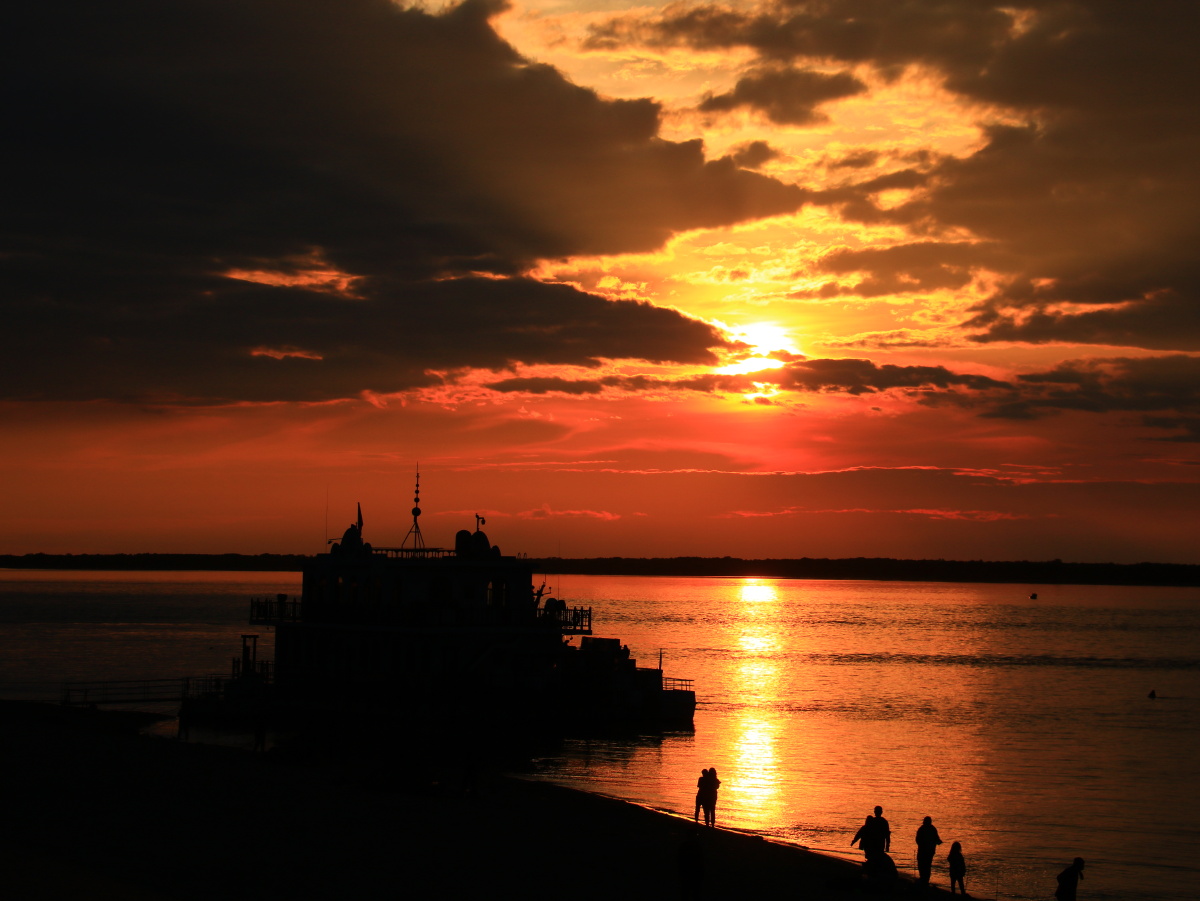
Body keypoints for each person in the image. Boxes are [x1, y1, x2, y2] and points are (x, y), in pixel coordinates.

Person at [915, 815, 943, 887]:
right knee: (926, 866)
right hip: (929, 851)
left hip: (924, 851)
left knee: (922, 865)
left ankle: (924, 879)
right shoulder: (932, 829)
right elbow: (937, 840)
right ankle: (925, 880)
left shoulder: (922, 829)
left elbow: (917, 840)